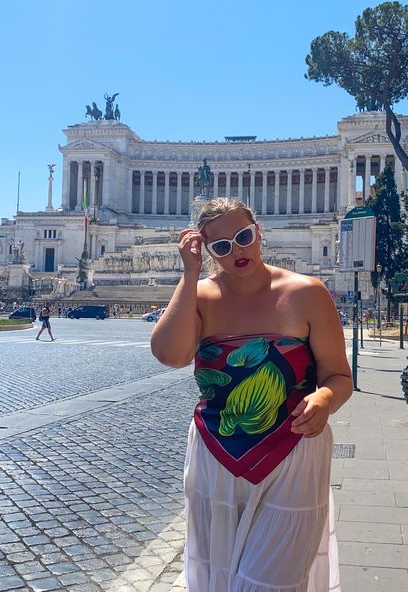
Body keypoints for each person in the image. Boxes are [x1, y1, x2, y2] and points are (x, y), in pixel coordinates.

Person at [151, 197, 353, 591]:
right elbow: (170, 355)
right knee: (218, 579)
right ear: (207, 250)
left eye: (243, 236)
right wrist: (190, 275)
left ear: (258, 231)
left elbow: (338, 375)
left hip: (294, 452)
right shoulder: (201, 296)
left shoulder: (307, 292)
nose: (236, 250)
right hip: (216, 455)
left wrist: (325, 399)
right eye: (221, 246)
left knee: (267, 582)